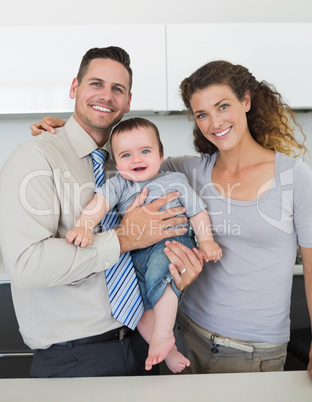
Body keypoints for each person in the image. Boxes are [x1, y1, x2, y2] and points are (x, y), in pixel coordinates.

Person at [34, 59, 312, 379]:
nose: (214, 122)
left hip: (253, 351)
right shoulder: (186, 170)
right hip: (183, 335)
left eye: (223, 106)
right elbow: (130, 157)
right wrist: (68, 135)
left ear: (246, 101)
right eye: (201, 114)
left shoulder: (294, 176)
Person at [0, 46, 203, 378]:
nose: (106, 96)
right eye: (96, 84)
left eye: (117, 89)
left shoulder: (130, 162)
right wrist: (123, 239)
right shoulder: (35, 158)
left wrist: (180, 270)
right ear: (74, 88)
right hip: (75, 358)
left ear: (127, 102)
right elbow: (26, 266)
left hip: (144, 345)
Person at [65, 116, 222, 373]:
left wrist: (206, 240)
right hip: (132, 253)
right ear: (116, 162)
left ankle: (163, 334)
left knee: (164, 274)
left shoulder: (175, 180)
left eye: (145, 151)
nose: (136, 159)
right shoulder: (118, 183)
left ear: (161, 155)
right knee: (134, 306)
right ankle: (168, 350)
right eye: (126, 155)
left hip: (169, 242)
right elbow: (99, 203)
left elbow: (197, 212)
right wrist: (84, 225)